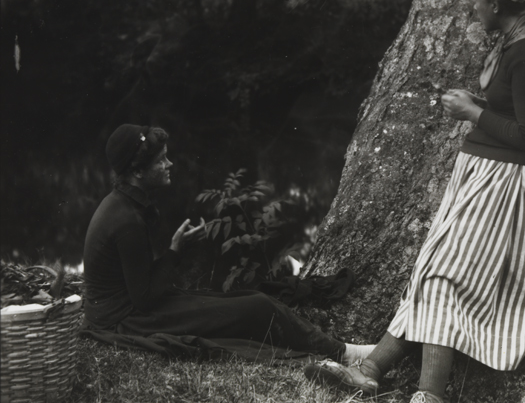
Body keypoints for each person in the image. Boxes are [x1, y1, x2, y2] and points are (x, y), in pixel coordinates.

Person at [304, 0, 525, 403]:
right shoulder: (516, 41)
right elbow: (516, 113)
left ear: (496, 3)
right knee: (433, 270)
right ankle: (371, 369)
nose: (473, 3)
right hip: (483, 177)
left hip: (505, 186)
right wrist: (481, 103)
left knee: (443, 279)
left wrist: (473, 113)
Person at [82, 123, 374, 363]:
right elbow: (144, 299)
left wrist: (174, 252)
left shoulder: (125, 204)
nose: (169, 164)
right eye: (161, 160)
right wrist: (175, 251)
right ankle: (344, 354)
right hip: (126, 321)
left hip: (127, 310)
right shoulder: (126, 220)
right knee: (256, 307)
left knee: (241, 302)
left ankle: (337, 349)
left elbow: (140, 283)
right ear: (138, 172)